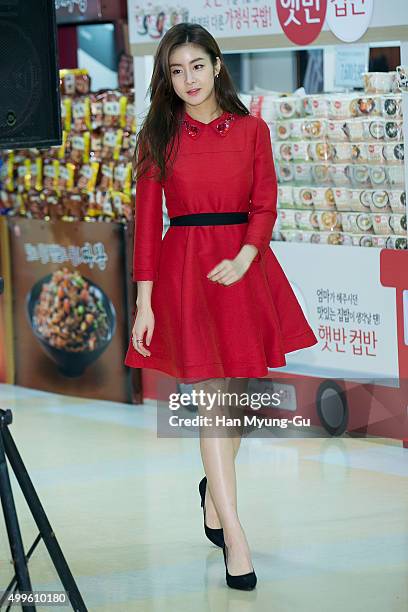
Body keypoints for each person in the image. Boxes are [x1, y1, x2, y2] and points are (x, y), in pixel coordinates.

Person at [124, 23, 318, 590]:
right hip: (185, 271)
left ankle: (214, 489)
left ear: (217, 66)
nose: (188, 79)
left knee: (235, 406)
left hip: (242, 269)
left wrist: (246, 255)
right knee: (213, 405)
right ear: (167, 76)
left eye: (197, 66)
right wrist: (145, 302)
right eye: (176, 70)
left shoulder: (253, 130)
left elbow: (265, 201)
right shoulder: (158, 135)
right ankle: (236, 536)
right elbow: (146, 225)